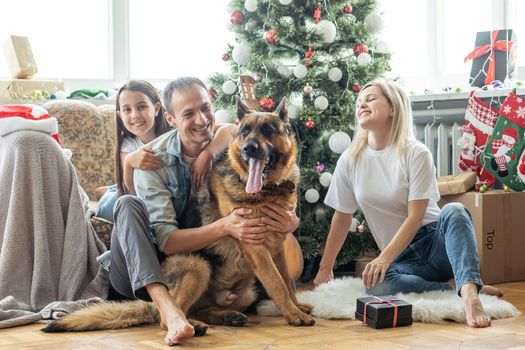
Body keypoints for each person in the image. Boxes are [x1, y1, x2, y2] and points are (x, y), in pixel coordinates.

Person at [108, 77, 299, 346]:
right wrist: (226, 226)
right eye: (188, 114)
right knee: (127, 205)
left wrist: (291, 220)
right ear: (171, 119)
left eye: (205, 108)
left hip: (199, 268)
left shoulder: (234, 142)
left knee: (250, 292)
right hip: (146, 268)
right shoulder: (151, 161)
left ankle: (205, 310)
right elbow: (168, 242)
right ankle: (169, 311)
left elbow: (279, 165)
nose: (201, 119)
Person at [312, 79, 502, 328]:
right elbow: (342, 216)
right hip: (402, 258)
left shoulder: (416, 152)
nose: (362, 104)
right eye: (359, 102)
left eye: (370, 98)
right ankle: (454, 286)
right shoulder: (350, 160)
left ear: (393, 108)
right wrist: (326, 268)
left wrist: (383, 258)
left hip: (436, 241)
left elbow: (416, 217)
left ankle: (469, 294)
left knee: (454, 210)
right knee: (375, 284)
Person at [95, 80, 170, 222]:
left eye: (141, 107)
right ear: (120, 115)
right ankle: (109, 191)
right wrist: (129, 162)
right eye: (127, 110)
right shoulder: (128, 144)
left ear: (157, 108)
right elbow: (130, 191)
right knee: (107, 210)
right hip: (135, 190)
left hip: (159, 191)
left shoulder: (172, 133)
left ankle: (110, 189)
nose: (135, 115)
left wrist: (207, 153)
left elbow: (225, 129)